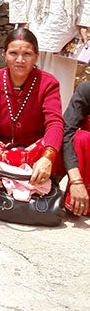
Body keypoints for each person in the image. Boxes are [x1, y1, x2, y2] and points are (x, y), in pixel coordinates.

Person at [0, 28, 65, 206]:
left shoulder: (48, 82)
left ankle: (18, 186)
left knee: (54, 146)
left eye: (27, 54)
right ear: (4, 54)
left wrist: (47, 157)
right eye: (13, 53)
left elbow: (55, 123)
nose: (20, 60)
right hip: (0, 148)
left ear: (36, 56)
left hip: (34, 151)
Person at [61, 81, 90, 216]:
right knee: (81, 138)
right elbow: (66, 132)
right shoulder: (87, 89)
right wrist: (76, 181)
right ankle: (79, 199)